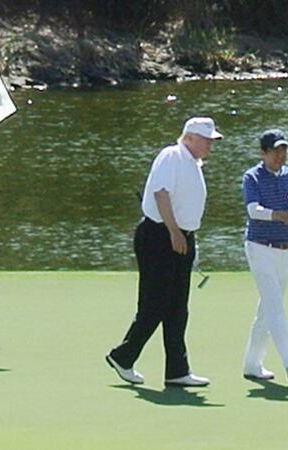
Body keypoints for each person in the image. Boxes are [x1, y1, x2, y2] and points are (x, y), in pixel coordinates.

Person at [106, 117, 222, 387]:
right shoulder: (173, 155)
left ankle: (177, 371)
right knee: (155, 303)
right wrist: (173, 231)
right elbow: (160, 194)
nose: (209, 146)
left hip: (181, 238)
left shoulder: (193, 163)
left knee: (177, 308)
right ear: (190, 137)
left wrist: (186, 235)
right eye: (206, 140)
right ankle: (123, 356)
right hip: (159, 237)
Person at [241, 129, 288, 382]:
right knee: (275, 307)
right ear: (263, 153)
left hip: (285, 248)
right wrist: (279, 215)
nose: (280, 156)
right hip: (259, 247)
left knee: (268, 308)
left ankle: (252, 364)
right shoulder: (252, 177)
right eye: (275, 151)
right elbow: (253, 210)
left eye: (284, 150)